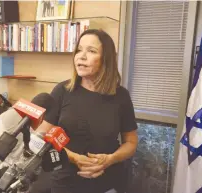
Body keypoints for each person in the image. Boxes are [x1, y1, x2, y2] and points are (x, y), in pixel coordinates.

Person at [35, 29, 138, 193]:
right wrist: (74, 158)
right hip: (64, 181)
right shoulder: (62, 91)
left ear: (106, 59)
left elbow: (131, 142)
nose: (81, 56)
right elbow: (41, 137)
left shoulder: (121, 96)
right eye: (79, 50)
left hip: (107, 180)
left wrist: (110, 159)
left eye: (91, 51)